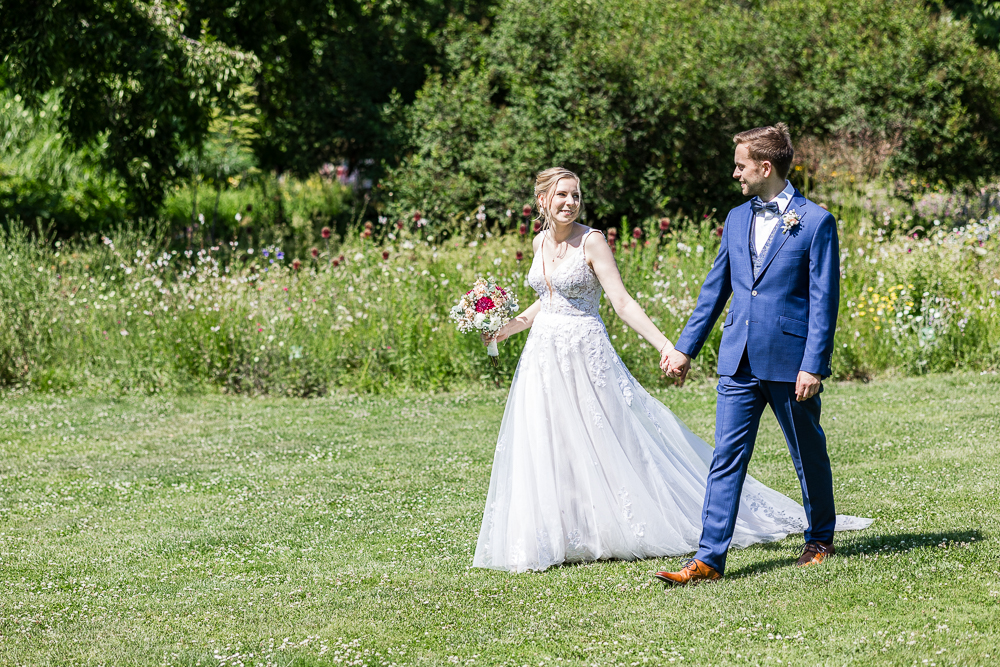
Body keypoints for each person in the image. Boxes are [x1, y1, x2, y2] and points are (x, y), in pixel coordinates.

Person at [472, 166, 870, 573]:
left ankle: (815, 535)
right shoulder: (539, 242)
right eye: (562, 196)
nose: (571, 202)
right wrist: (502, 331)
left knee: (608, 438)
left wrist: (670, 347)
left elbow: (622, 302)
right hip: (544, 357)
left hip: (587, 352)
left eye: (576, 195)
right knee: (552, 440)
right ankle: (593, 535)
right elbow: (549, 299)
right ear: (542, 200)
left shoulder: (591, 241)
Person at [656, 124, 871, 586]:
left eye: (740, 164)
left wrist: (814, 363)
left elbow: (823, 300)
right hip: (738, 359)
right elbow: (715, 290)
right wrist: (684, 347)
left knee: (806, 453)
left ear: (765, 167)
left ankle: (820, 538)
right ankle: (709, 560)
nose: (735, 173)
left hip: (791, 362)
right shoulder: (736, 219)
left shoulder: (815, 221)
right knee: (726, 458)